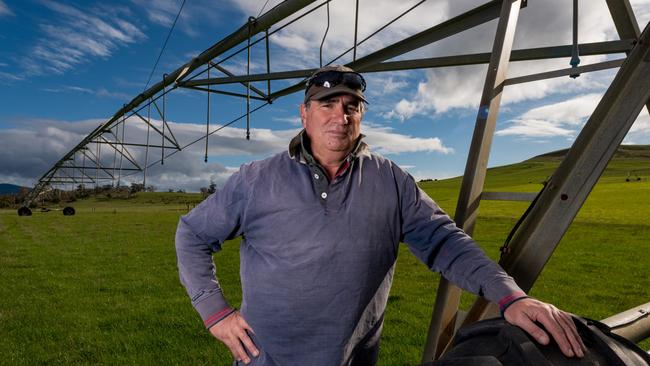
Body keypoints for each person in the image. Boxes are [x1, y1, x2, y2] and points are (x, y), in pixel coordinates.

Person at [175, 65, 585, 365]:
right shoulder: (255, 179)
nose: (341, 116)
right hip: (265, 358)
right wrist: (216, 313)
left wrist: (508, 295)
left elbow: (446, 242)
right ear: (304, 114)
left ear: (362, 115)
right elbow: (192, 234)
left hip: (355, 358)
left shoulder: (391, 180)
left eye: (351, 106)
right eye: (327, 104)